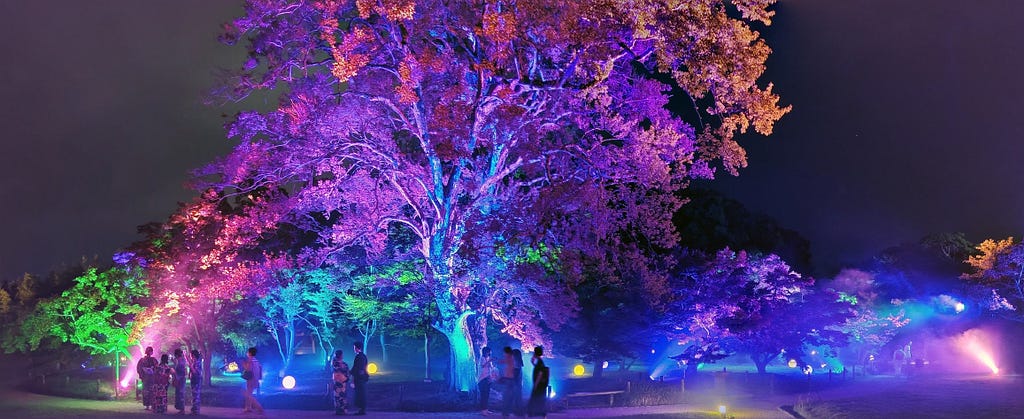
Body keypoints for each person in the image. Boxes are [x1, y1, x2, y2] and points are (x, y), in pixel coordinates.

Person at [527, 347, 548, 418]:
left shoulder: (540, 362)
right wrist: (532, 362)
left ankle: (538, 414)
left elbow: (540, 374)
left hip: (539, 385)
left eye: (534, 352)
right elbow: (538, 369)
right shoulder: (539, 361)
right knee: (538, 399)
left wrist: (535, 385)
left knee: (536, 399)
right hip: (539, 385)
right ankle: (540, 414)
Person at [241, 347, 264, 415]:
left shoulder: (250, 361)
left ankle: (259, 407)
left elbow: (248, 369)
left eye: (248, 352)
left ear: (250, 353)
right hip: (255, 379)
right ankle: (248, 407)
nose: (247, 353)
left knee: (248, 394)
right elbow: (260, 369)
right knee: (249, 393)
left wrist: (244, 364)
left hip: (251, 379)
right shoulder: (256, 361)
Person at [351, 342, 369, 416]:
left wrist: (351, 373)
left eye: (354, 347)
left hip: (359, 378)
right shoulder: (363, 356)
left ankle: (362, 409)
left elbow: (357, 368)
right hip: (362, 377)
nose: (353, 349)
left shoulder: (359, 357)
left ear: (357, 348)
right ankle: (362, 409)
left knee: (360, 393)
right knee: (361, 393)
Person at [477, 346, 497, 415]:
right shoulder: (482, 358)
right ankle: (483, 411)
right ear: (485, 352)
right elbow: (483, 365)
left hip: (488, 378)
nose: (490, 353)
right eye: (489, 352)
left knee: (487, 395)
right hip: (482, 379)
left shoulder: (488, 358)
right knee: (483, 395)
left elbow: (490, 368)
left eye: (490, 352)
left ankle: (486, 409)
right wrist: (489, 361)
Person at [331, 349, 350, 415]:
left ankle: (338, 410)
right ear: (341, 355)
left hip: (336, 382)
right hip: (342, 382)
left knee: (337, 396)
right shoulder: (344, 364)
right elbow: (347, 373)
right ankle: (343, 410)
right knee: (342, 396)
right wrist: (347, 378)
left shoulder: (333, 364)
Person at [500, 347, 516, 418]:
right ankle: (506, 412)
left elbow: (503, 361)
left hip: (509, 379)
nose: (503, 354)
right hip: (510, 379)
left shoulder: (509, 358)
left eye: (504, 352)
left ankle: (505, 413)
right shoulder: (511, 358)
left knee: (506, 396)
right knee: (508, 396)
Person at [173, 348, 188, 414]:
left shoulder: (180, 362)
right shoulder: (181, 360)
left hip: (180, 380)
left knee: (180, 394)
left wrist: (174, 373)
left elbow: (181, 372)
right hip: (181, 379)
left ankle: (182, 409)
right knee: (180, 394)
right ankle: (181, 409)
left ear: (176, 355)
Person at [511, 349, 525, 416]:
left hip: (516, 383)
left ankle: (519, 412)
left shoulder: (516, 362)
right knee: (518, 397)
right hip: (518, 383)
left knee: (517, 397)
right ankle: (519, 412)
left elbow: (515, 373)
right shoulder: (519, 362)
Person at [189, 349, 203, 415]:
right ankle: (194, 410)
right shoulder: (194, 362)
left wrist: (191, 367)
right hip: (194, 380)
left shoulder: (197, 362)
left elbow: (195, 372)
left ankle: (196, 411)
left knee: (196, 395)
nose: (190, 356)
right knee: (194, 395)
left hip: (196, 381)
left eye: (191, 355)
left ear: (193, 355)